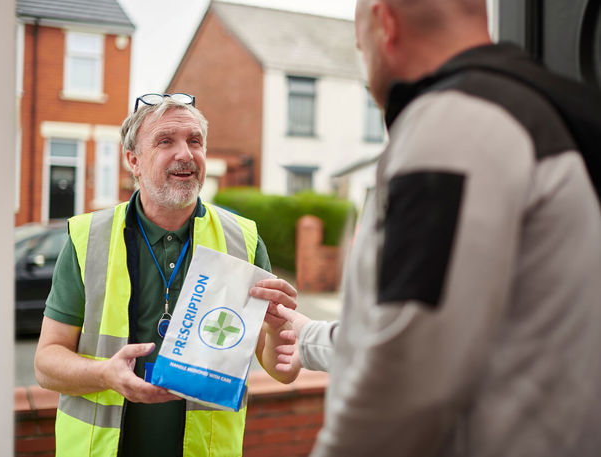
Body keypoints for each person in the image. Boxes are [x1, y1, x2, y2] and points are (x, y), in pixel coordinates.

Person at [262, 0, 601, 455]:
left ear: (385, 25)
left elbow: (407, 370)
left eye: (362, 50)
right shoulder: (540, 111)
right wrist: (307, 338)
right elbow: (448, 318)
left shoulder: (453, 123)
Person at [34, 93, 300, 457]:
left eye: (195, 141)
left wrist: (275, 329)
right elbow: (46, 364)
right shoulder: (87, 238)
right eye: (165, 141)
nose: (186, 154)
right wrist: (104, 375)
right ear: (134, 161)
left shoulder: (244, 240)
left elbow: (282, 371)